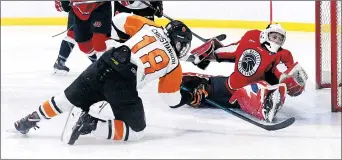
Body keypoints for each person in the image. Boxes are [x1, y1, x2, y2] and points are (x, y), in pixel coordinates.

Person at [13, 13, 196, 145]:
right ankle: (92, 124)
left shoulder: (150, 26)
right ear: (179, 43)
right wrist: (189, 96)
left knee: (65, 99)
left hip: (105, 62)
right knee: (136, 131)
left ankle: (30, 119)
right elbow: (171, 99)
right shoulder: (174, 65)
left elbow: (118, 20)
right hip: (123, 82)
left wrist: (118, 42)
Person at [180, 23, 308, 122]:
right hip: (229, 87)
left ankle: (267, 103)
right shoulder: (250, 39)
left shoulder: (281, 55)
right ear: (265, 34)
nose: (276, 41)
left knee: (261, 87)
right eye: (274, 37)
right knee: (184, 81)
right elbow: (234, 50)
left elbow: (283, 72)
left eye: (280, 39)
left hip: (251, 95)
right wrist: (211, 52)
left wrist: (293, 79)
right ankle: (197, 96)